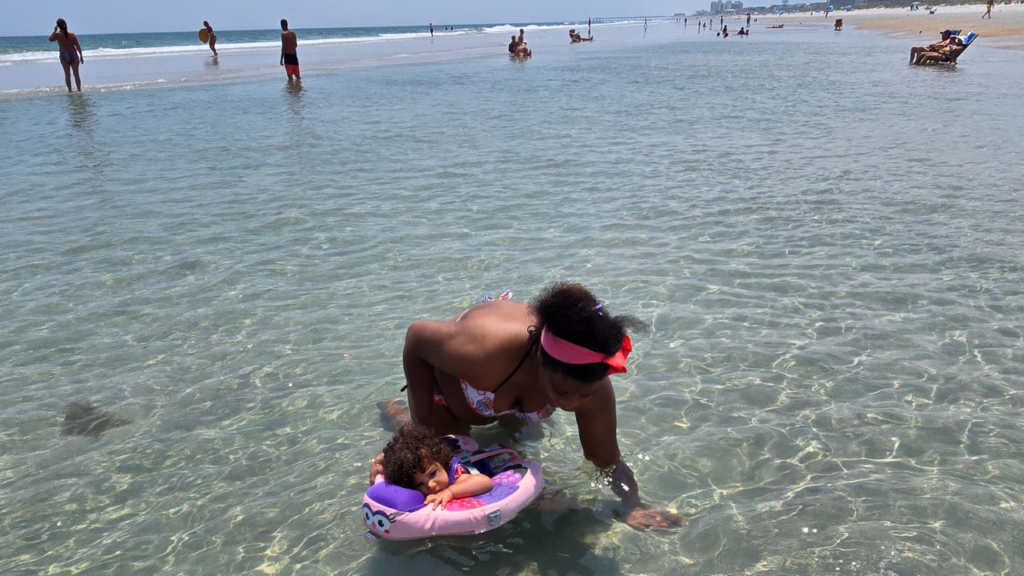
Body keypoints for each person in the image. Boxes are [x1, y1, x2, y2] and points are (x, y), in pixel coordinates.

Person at [384, 283, 685, 530]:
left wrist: (633, 505)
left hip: (507, 396)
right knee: (445, 456)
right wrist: (420, 428)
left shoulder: (591, 384)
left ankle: (508, 416)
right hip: (452, 395)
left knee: (524, 443)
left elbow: (606, 459)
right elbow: (416, 337)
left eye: (583, 395)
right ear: (540, 357)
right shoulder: (482, 349)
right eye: (562, 391)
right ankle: (397, 412)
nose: (571, 404)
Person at [369, 424, 494, 510]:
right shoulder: (421, 470)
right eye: (419, 485)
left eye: (433, 474)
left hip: (483, 462)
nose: (431, 485)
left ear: (441, 462)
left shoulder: (455, 475)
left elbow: (484, 482)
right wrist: (379, 461)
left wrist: (450, 492)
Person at [48, 18, 83, 93]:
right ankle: (79, 90)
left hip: (64, 54)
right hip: (73, 53)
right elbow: (77, 45)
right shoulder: (72, 34)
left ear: (58, 26)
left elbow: (50, 39)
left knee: (67, 74)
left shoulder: (57, 34)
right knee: (76, 74)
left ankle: (70, 91)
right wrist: (81, 56)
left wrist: (54, 31)